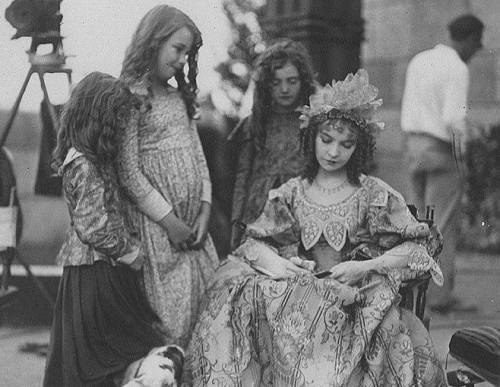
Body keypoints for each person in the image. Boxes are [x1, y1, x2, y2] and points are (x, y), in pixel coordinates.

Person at [186, 69, 447, 386]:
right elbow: (253, 246)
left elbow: (418, 248)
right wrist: (283, 266)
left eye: (345, 144)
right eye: (326, 140)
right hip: (299, 298)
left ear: (357, 148)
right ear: (312, 139)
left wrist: (365, 265)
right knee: (244, 291)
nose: (334, 152)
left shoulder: (373, 194)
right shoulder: (292, 193)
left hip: (354, 301)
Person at [43, 72, 167, 387]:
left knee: (110, 346)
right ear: (98, 117)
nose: (122, 127)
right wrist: (130, 253)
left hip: (100, 266)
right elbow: (92, 226)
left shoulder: (92, 160)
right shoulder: (84, 163)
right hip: (94, 270)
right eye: (118, 119)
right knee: (101, 349)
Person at [118, 5, 219, 349]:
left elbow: (199, 159)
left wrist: (204, 211)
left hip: (194, 230)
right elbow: (129, 173)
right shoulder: (131, 97)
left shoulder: (180, 99)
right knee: (170, 325)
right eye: (177, 48)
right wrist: (170, 221)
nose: (181, 59)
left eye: (187, 52)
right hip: (159, 231)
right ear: (153, 41)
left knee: (206, 317)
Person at [401, 14, 484, 313]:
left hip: (413, 148)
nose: (478, 49)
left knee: (417, 224)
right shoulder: (457, 67)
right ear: (470, 38)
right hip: (440, 150)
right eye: (477, 42)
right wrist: (465, 159)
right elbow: (453, 118)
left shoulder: (419, 60)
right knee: (443, 226)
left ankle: (415, 293)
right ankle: (439, 298)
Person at [228, 39, 316, 250]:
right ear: (266, 84)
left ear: (303, 81)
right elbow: (242, 174)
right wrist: (235, 222)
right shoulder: (255, 122)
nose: (284, 89)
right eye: (276, 82)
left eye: (292, 81)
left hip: (300, 210)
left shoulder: (313, 121)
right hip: (258, 209)